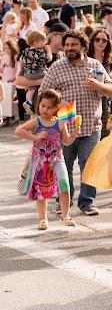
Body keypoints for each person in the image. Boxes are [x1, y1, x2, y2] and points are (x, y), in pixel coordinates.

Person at [40, 30, 112, 216]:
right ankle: (62, 202)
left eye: (73, 45)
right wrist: (58, 102)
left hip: (91, 125)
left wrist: (98, 85)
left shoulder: (95, 65)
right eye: (67, 45)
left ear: (83, 46)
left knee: (89, 166)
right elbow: (43, 93)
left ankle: (88, 202)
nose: (69, 48)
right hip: (64, 128)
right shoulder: (57, 67)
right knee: (63, 165)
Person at [15, 89, 79, 230]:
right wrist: (35, 137)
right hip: (40, 161)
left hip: (57, 159)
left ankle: (65, 216)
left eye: (49, 107)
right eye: (42, 106)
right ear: (38, 105)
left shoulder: (60, 123)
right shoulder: (36, 122)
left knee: (65, 185)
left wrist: (73, 135)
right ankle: (43, 219)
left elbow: (66, 141)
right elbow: (18, 130)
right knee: (40, 190)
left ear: (56, 108)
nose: (45, 109)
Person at [21, 30, 52, 115]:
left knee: (31, 89)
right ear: (36, 42)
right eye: (44, 41)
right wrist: (48, 50)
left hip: (28, 74)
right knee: (49, 75)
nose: (45, 43)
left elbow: (22, 62)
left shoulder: (25, 51)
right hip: (38, 73)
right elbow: (49, 59)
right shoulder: (40, 52)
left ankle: (28, 101)